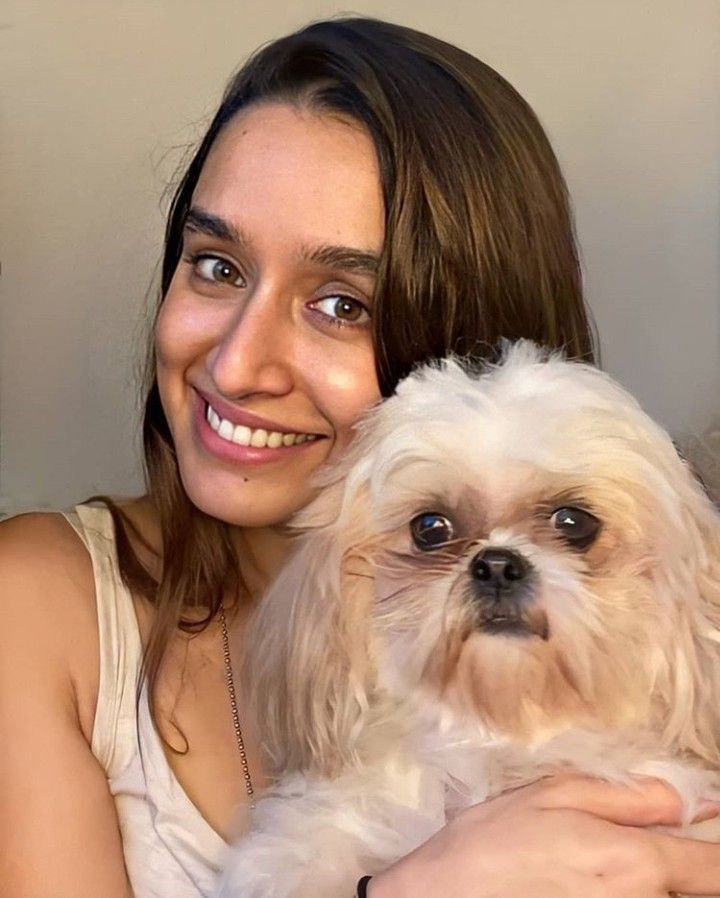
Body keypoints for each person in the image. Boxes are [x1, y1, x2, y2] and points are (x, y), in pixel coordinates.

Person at [1, 16, 719, 898]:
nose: (235, 364)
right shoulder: (38, 608)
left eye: (343, 304)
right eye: (217, 265)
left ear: (467, 348)